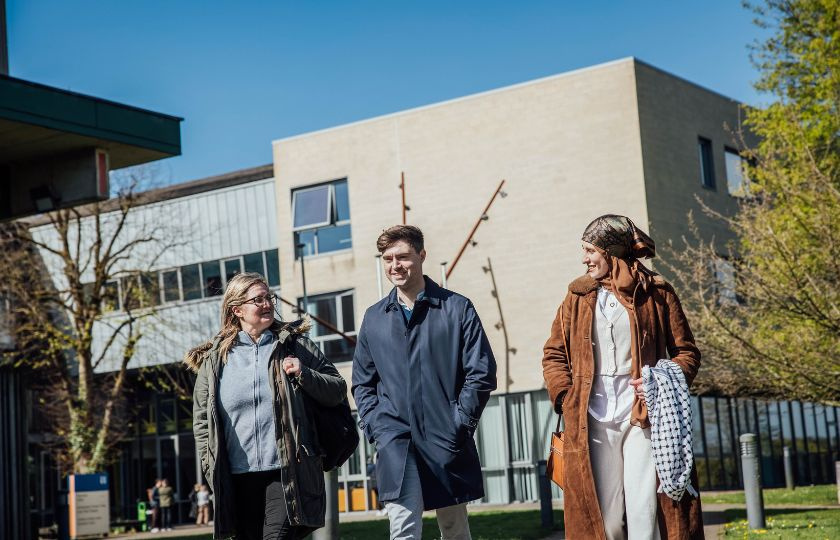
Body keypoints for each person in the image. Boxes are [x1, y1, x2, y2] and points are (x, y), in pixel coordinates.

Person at [542, 214, 703, 539]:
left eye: (591, 251)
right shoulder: (577, 297)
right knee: (607, 520)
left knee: (644, 515)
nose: (585, 259)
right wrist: (565, 397)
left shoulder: (657, 294)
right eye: (584, 251)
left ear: (611, 252)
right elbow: (554, 353)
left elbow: (687, 353)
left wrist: (661, 379)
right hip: (592, 422)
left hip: (643, 419)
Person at [352, 225, 497, 540]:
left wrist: (459, 422)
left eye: (403, 256)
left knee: (454, 529)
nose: (395, 265)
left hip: (446, 435)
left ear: (421, 256)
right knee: (403, 528)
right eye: (388, 258)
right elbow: (362, 383)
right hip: (395, 441)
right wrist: (377, 426)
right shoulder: (374, 318)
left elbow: (481, 372)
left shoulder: (456, 308)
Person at [187, 272, 347, 540]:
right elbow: (202, 421)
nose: (267, 304)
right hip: (237, 477)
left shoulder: (295, 346)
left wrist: (304, 374)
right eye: (258, 299)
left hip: (285, 472)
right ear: (237, 309)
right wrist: (210, 465)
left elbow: (338, 389)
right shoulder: (215, 361)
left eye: (268, 297)